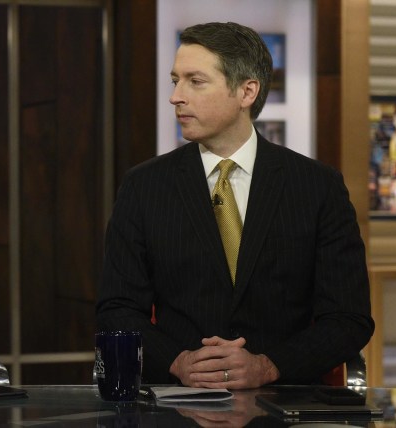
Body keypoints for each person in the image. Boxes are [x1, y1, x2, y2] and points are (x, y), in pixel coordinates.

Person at [95, 22, 374, 389]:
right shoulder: (143, 186)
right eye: (175, 81)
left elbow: (349, 318)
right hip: (177, 399)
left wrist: (269, 366)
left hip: (285, 398)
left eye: (195, 81)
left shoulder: (318, 187)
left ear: (247, 91)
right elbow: (117, 308)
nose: (175, 97)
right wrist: (178, 362)